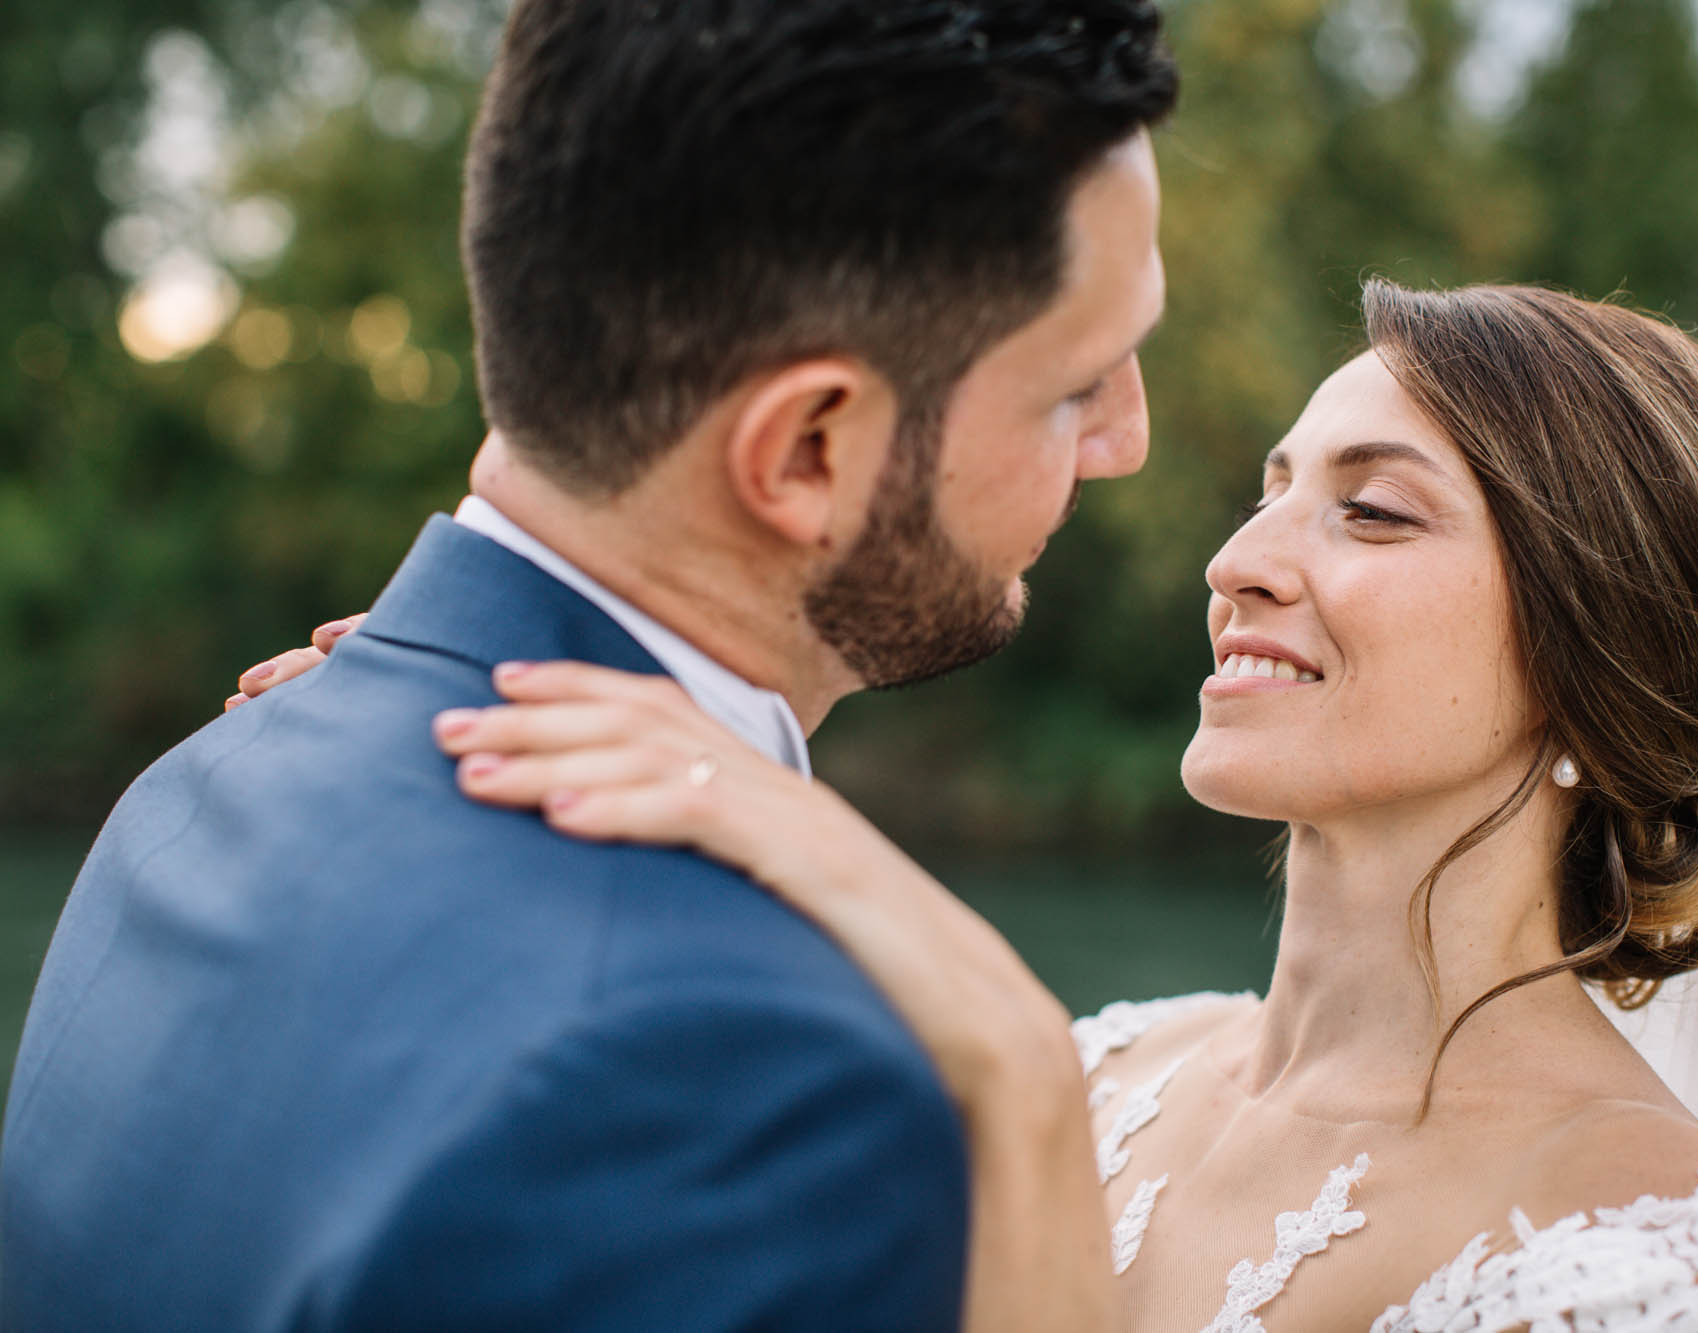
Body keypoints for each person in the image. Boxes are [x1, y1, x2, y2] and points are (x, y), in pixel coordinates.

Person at [263, 281, 1698, 1330]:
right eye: (1271, 492)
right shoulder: (1110, 1059)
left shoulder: (1666, 1251)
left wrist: (944, 974)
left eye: (1376, 515)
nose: (1240, 561)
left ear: (1591, 655)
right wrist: (480, 768)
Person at [0, 2, 1176, 1329]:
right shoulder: (759, 1082)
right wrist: (1024, 1080)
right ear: (806, 449)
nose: (1122, 441)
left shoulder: (201, 782)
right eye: (1079, 383)